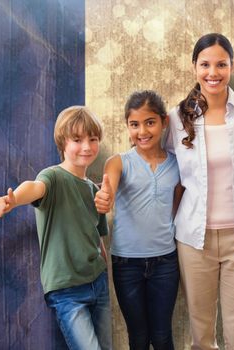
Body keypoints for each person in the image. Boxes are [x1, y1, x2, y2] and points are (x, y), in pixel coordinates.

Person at [165, 33, 234, 350]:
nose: (212, 72)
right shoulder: (175, 118)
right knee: (201, 337)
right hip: (193, 239)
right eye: (205, 64)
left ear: (232, 66)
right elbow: (157, 166)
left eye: (221, 64)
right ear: (194, 67)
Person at [0, 106, 112, 350]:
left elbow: (97, 237)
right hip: (67, 291)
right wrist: (13, 200)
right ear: (62, 142)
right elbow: (34, 187)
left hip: (97, 283)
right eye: (77, 140)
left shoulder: (93, 190)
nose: (87, 146)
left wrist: (105, 271)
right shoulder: (53, 177)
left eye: (93, 139)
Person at [94, 90, 180, 350]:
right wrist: (104, 198)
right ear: (128, 126)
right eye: (134, 124)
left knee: (163, 335)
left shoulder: (177, 164)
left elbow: (179, 208)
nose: (142, 131)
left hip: (166, 261)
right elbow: (108, 187)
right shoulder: (118, 162)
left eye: (149, 122)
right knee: (139, 337)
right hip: (126, 264)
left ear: (164, 122)